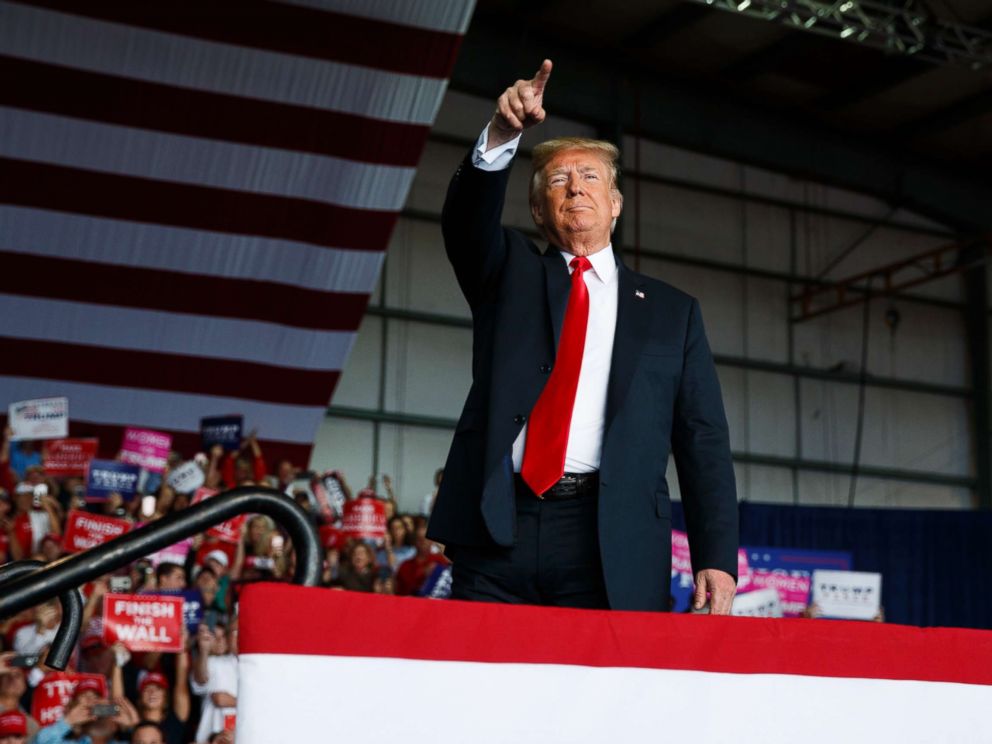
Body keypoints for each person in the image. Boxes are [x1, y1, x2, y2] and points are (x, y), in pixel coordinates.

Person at [427, 59, 739, 613]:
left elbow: (702, 439)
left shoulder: (673, 313)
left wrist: (715, 554)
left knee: (606, 696)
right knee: (484, 694)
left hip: (608, 536)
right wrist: (502, 135)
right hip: (501, 526)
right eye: (558, 179)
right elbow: (466, 225)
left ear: (615, 205)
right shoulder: (509, 274)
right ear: (538, 209)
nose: (575, 187)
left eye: (591, 176)